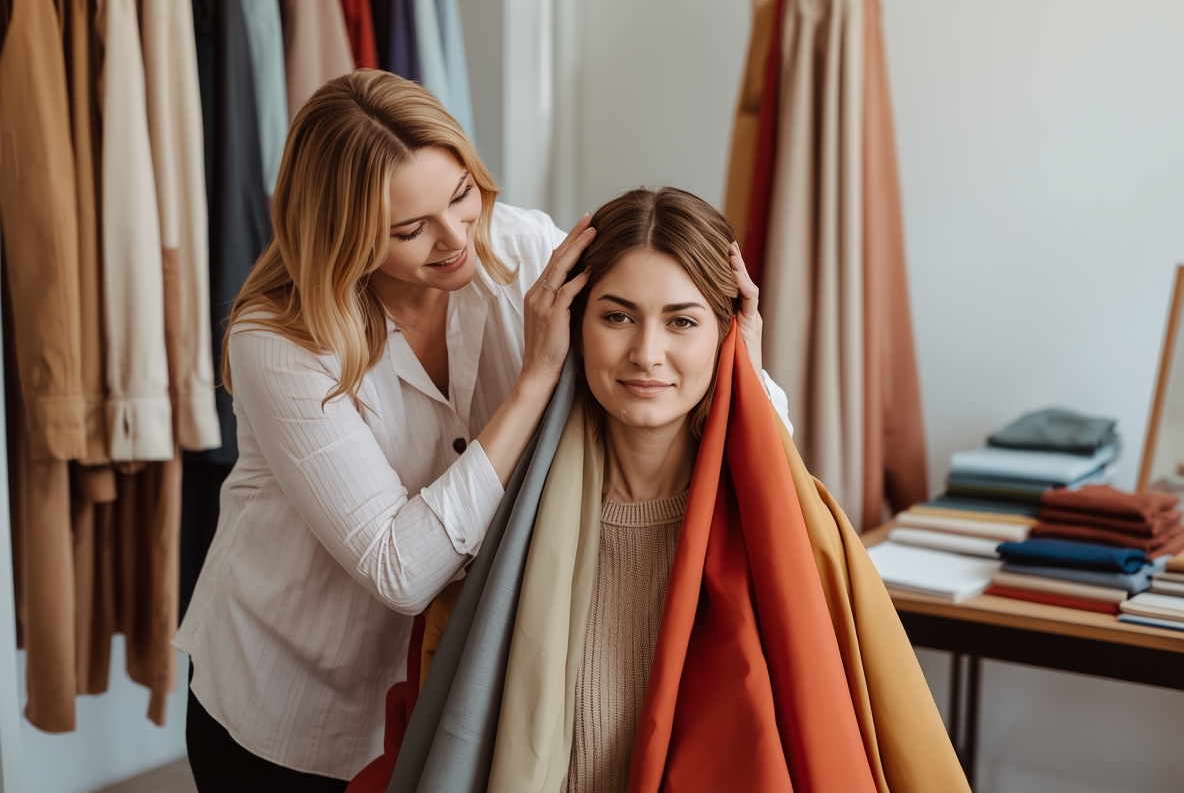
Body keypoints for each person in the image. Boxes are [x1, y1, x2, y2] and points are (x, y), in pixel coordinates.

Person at [174, 74, 766, 791]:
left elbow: (700, 397)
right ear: (343, 234)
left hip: (453, 689)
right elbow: (400, 570)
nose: (457, 239)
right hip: (293, 707)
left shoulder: (524, 251)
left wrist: (743, 362)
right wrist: (533, 382)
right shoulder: (279, 341)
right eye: (410, 230)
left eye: (461, 194)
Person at [378, 187, 968, 793]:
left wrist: (750, 380)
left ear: (726, 333)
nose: (647, 354)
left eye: (682, 321)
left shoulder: (795, 536)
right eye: (617, 317)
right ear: (573, 325)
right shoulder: (506, 525)